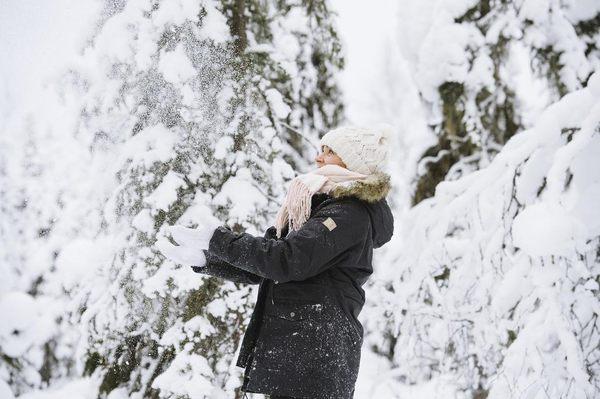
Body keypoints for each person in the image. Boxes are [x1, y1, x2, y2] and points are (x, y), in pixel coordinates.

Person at [157, 125, 394, 399]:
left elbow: (285, 261)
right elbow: (270, 266)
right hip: (303, 357)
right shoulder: (321, 206)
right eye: (321, 150)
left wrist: (219, 240)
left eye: (329, 153)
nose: (318, 158)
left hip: (314, 358)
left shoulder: (347, 214)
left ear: (353, 163)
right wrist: (208, 258)